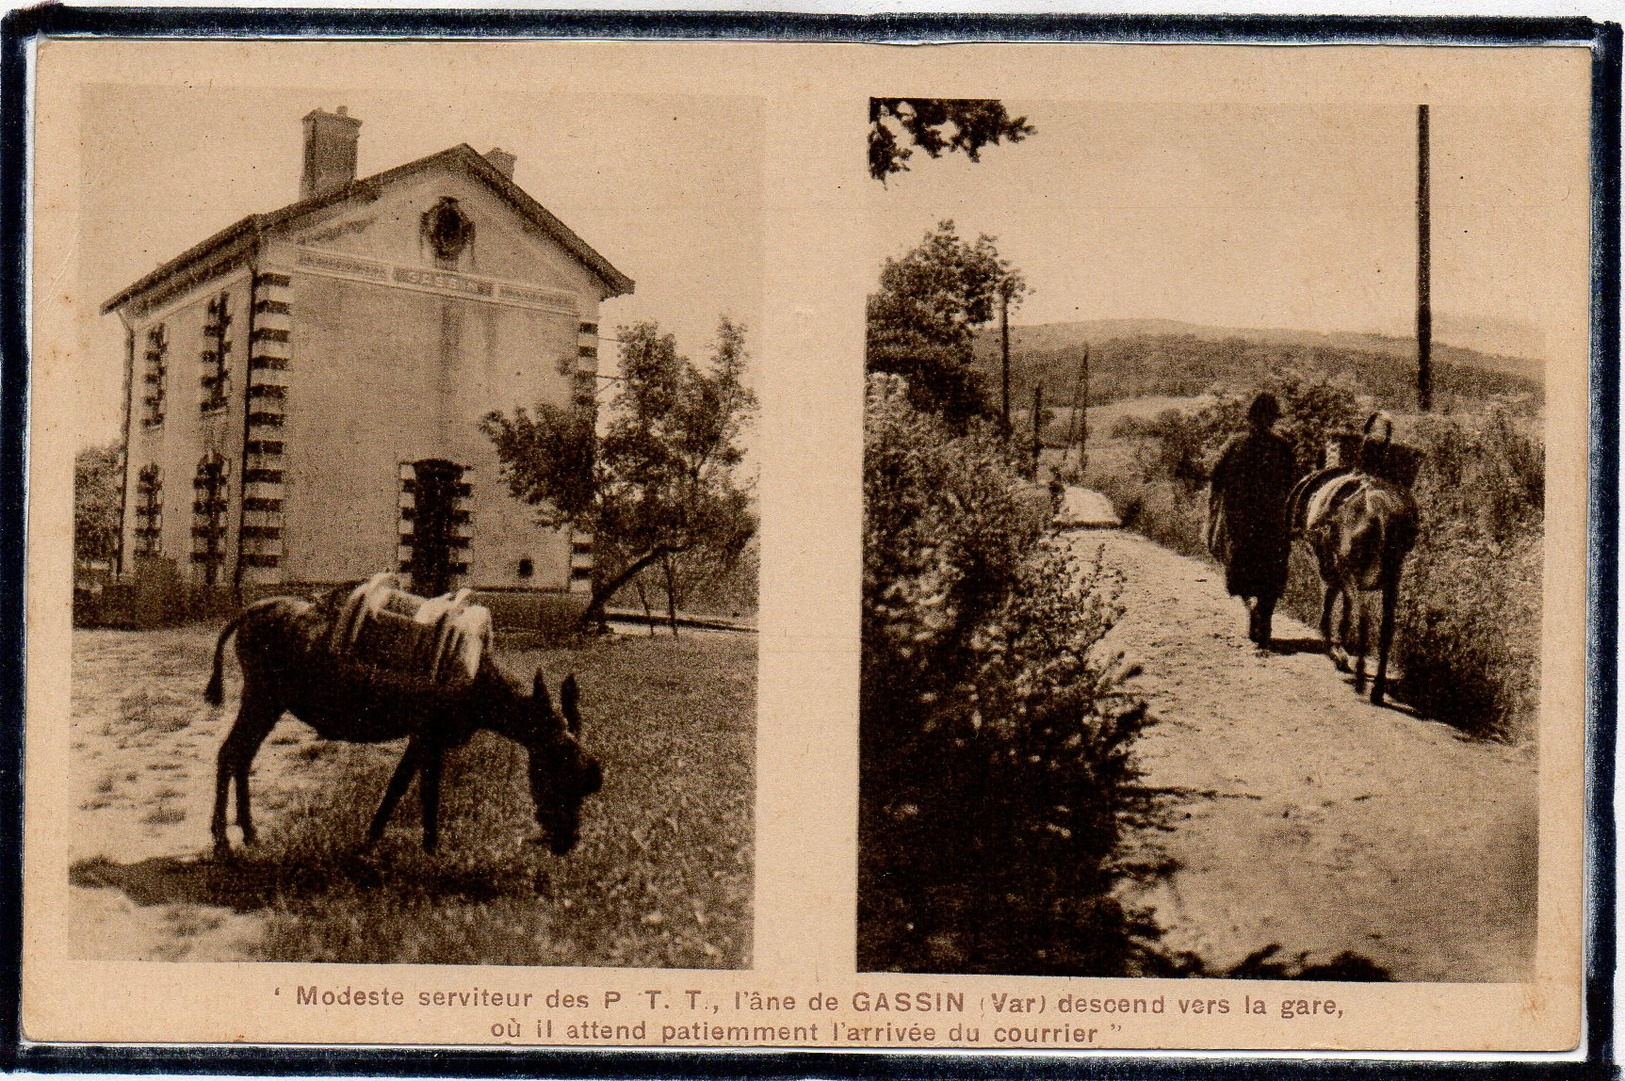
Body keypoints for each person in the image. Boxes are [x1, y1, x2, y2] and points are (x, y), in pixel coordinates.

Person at [1207, 392, 1298, 647]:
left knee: (1242, 570)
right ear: (1272, 419)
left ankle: (1253, 611)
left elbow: (1215, 476)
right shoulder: (1282, 447)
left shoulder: (1235, 444)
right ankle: (1263, 615)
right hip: (1273, 522)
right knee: (1271, 571)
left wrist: (1217, 510)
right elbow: (1294, 484)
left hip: (1242, 523)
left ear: (1251, 418)